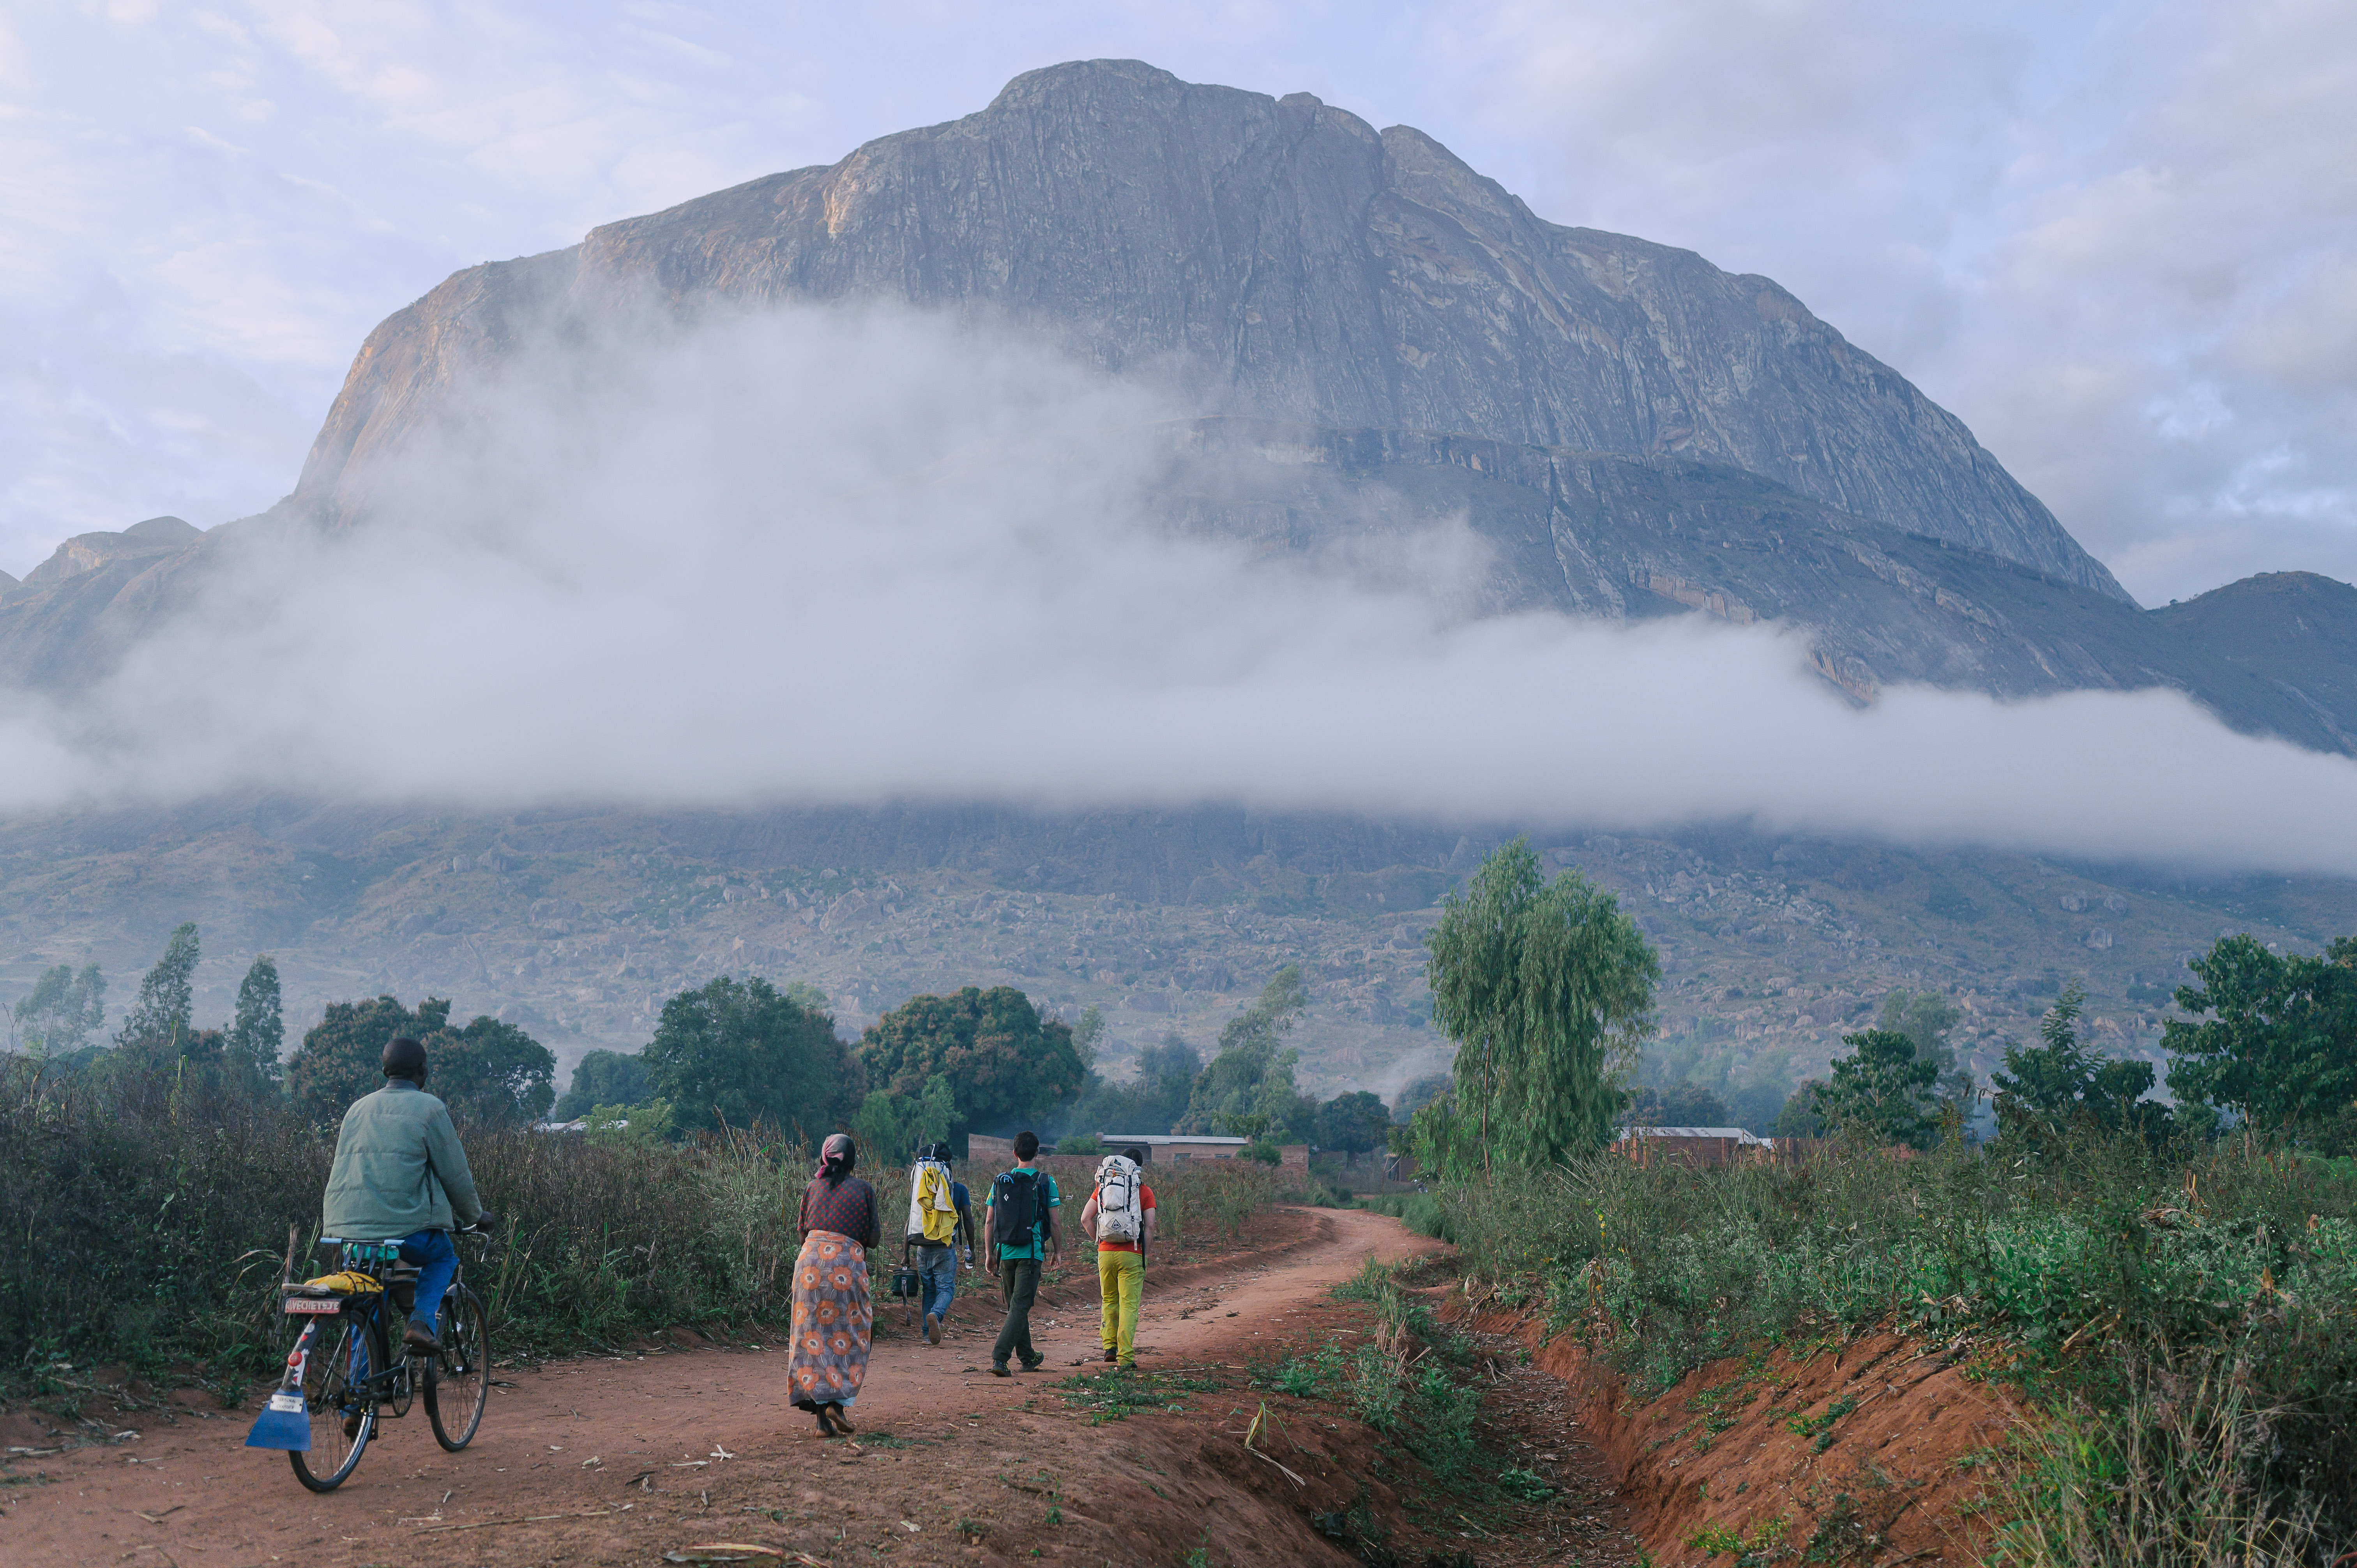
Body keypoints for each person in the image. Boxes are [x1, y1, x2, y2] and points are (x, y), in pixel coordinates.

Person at [320, 1037, 495, 1356]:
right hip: (405, 1232)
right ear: (421, 1069)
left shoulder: (358, 1109)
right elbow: (454, 1174)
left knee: (366, 1303)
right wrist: (475, 1216)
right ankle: (421, 1323)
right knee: (443, 1256)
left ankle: (357, 1402)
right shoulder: (429, 1108)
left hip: (347, 1233)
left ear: (386, 1069)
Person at [789, 1132, 879, 1437]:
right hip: (845, 1267)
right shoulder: (864, 1190)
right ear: (853, 1161)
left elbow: (802, 1235)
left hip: (809, 1268)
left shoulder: (811, 1188)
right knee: (849, 1334)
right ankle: (837, 1406)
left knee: (812, 1338)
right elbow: (874, 1240)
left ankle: (821, 1422)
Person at [982, 1130, 1060, 1376]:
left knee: (1017, 1306)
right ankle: (1000, 1357)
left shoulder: (1000, 1181)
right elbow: (1055, 1222)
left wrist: (989, 1253)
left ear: (1015, 1153)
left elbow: (989, 1220)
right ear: (1038, 1153)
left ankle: (1028, 1357)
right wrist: (1058, 1251)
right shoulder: (1047, 1182)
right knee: (1020, 1305)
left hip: (1005, 1253)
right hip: (1031, 1254)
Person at [1078, 1147, 1157, 1369]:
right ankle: (1126, 1357)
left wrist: (1101, 1240)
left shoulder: (1102, 1188)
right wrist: (1144, 1252)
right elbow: (1150, 1226)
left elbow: (1085, 1219)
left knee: (1109, 1300)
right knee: (1129, 1305)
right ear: (1139, 1168)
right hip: (1132, 1253)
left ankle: (1109, 1348)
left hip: (1105, 1254)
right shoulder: (1145, 1192)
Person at [906, 1141, 975, 1345]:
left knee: (929, 1290)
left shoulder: (920, 1187)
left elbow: (911, 1219)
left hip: (920, 1246)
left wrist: (904, 1254)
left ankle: (928, 1335)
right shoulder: (959, 1190)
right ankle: (936, 1315)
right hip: (944, 1247)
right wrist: (971, 1248)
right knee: (946, 1289)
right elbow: (969, 1220)